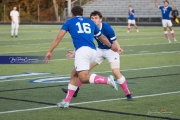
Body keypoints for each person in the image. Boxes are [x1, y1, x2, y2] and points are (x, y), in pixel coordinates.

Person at [45, 6, 123, 108]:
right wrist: (112, 46)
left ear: (72, 14)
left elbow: (59, 37)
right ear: (82, 13)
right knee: (74, 74)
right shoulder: (90, 22)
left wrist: (50, 51)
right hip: (93, 51)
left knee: (84, 78)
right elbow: (102, 37)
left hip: (82, 52)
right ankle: (66, 101)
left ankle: (108, 80)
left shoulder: (69, 22)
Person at [62, 11, 133, 101]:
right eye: (92, 18)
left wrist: (118, 48)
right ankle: (75, 90)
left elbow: (114, 41)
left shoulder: (107, 28)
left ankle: (128, 94)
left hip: (111, 50)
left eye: (96, 18)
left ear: (100, 19)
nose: (94, 20)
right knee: (84, 70)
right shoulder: (90, 26)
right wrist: (75, 51)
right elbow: (85, 41)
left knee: (116, 72)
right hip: (99, 50)